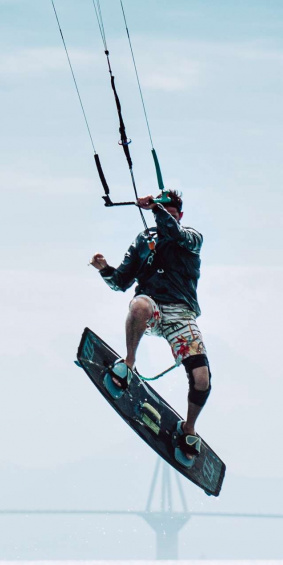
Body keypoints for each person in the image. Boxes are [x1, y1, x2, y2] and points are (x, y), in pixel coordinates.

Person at [89, 189, 210, 462]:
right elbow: (121, 282)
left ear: (179, 215)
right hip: (153, 308)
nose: (166, 217)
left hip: (181, 314)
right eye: (162, 212)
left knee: (202, 379)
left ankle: (189, 428)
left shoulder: (191, 238)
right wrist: (104, 269)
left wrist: (157, 208)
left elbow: (174, 233)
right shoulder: (144, 241)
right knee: (139, 304)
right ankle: (129, 363)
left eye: (171, 213)